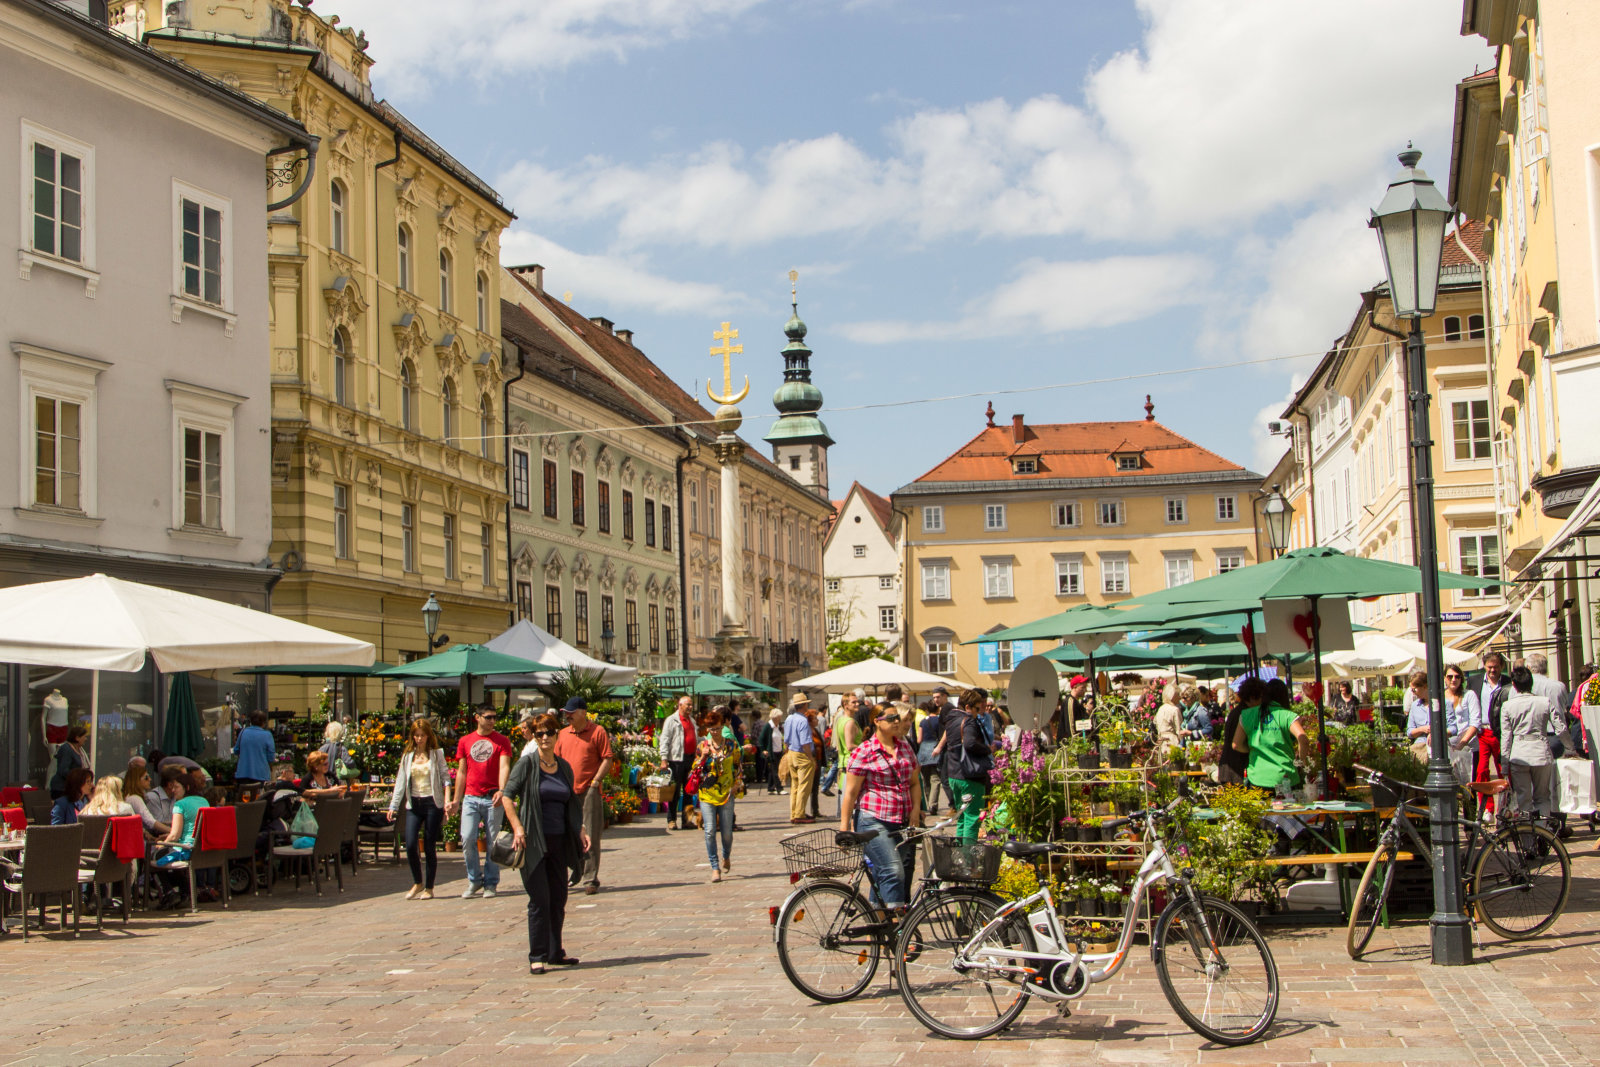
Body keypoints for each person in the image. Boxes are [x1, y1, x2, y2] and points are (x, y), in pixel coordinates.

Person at [500, 711, 587, 974]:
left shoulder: (564, 767)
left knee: (558, 897)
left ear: (557, 734)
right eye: (540, 734)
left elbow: (571, 802)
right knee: (540, 899)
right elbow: (507, 796)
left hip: (559, 840)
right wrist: (517, 827)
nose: (545, 737)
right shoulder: (526, 764)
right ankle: (536, 955)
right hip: (534, 842)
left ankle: (555, 952)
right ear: (535, 737)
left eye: (549, 732)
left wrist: (580, 829)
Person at [839, 702, 921, 911]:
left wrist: (915, 810)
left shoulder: (905, 747)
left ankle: (878, 924)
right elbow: (850, 793)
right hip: (873, 820)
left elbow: (914, 783)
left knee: (882, 873)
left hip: (901, 821)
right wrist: (844, 827)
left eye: (897, 718)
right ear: (877, 721)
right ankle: (897, 922)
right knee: (893, 871)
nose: (896, 722)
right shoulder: (864, 751)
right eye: (891, 718)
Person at [448, 706, 513, 899]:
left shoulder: (502, 740)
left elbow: (504, 766)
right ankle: (474, 879)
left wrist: (502, 790)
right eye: (488, 717)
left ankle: (491, 883)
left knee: (493, 842)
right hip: (471, 797)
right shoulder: (465, 741)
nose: (492, 721)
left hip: (493, 797)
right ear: (477, 717)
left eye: (494, 717)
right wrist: (456, 800)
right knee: (467, 837)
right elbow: (461, 771)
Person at [554, 697, 614, 896]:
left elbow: (607, 758)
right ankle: (575, 871)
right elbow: (556, 760)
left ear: (582, 712)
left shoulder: (597, 731)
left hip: (589, 789)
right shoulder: (563, 734)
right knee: (567, 835)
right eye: (566, 713)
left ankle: (590, 878)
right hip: (567, 791)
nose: (567, 716)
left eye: (571, 712)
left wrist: (596, 781)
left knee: (591, 834)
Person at [389, 717, 449, 900]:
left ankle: (429, 887)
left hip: (432, 802)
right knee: (410, 843)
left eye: (422, 735)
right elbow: (400, 782)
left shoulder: (436, 754)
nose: (419, 739)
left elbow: (446, 778)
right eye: (416, 735)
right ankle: (417, 882)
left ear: (428, 736)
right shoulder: (408, 756)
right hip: (414, 803)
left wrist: (447, 802)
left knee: (429, 846)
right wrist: (393, 805)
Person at [1501, 666, 1563, 818]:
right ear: (1531, 683)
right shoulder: (1544, 702)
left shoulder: (1508, 706)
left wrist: (1504, 764)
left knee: (1523, 798)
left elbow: (1506, 737)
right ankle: (1542, 827)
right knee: (1543, 796)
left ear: (1514, 685)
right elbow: (1560, 728)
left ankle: (1527, 832)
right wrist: (1569, 748)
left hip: (1519, 753)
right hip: (1541, 751)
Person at [1232, 678, 1309, 795]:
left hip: (1257, 777)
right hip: (1286, 776)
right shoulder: (1287, 715)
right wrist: (1301, 762)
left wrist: (1254, 749)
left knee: (1260, 807)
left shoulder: (1247, 714)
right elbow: (1303, 739)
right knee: (1289, 807)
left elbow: (1236, 745)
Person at [937, 688, 992, 843]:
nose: (978, 712)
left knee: (962, 817)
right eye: (976, 708)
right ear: (968, 707)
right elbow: (970, 743)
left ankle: (959, 853)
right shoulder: (968, 720)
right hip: (970, 776)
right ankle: (968, 855)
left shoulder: (951, 719)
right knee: (972, 818)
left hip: (954, 774)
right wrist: (988, 749)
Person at [693, 710, 741, 882]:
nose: (715, 732)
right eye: (712, 729)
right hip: (707, 793)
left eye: (718, 728)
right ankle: (715, 867)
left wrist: (737, 784)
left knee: (727, 832)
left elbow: (738, 765)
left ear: (722, 727)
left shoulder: (731, 745)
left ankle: (726, 855)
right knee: (710, 830)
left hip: (727, 793)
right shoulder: (702, 746)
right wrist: (703, 757)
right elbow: (695, 769)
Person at [657, 695, 698, 829]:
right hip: (676, 760)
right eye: (688, 705)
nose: (690, 707)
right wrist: (664, 759)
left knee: (689, 791)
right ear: (680, 705)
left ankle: (687, 820)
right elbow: (665, 739)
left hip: (690, 759)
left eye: (691, 705)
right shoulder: (671, 720)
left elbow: (695, 738)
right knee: (674, 791)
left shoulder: (692, 720)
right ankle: (672, 819)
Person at [780, 693, 819, 824]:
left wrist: (787, 753)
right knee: (804, 785)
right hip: (802, 754)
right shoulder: (802, 720)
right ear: (805, 705)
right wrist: (810, 758)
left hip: (791, 752)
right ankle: (800, 814)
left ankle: (794, 813)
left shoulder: (789, 719)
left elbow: (785, 740)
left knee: (795, 785)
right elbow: (805, 742)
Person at [1441, 666, 1482, 783]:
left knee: (1469, 784)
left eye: (1457, 677)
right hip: (1447, 748)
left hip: (1468, 747)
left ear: (1461, 679)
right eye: (1450, 677)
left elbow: (1475, 722)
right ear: (1445, 678)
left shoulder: (1469, 694)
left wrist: (1462, 744)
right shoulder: (1440, 697)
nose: (1453, 679)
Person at [821, 694, 862, 798]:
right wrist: (865, 747)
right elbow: (849, 746)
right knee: (850, 798)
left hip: (844, 763)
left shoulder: (841, 720)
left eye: (857, 702)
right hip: (851, 763)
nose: (857, 704)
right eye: (854, 702)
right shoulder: (850, 722)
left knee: (845, 797)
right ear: (845, 705)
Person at [1217, 680, 1256, 785]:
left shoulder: (1237, 711)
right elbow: (1237, 744)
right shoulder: (1245, 713)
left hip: (1229, 766)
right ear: (1253, 697)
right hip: (1236, 768)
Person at [234, 710, 276, 792]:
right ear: (264, 722)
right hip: (261, 774)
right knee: (259, 798)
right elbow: (271, 757)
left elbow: (236, 750)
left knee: (244, 797)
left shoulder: (243, 732)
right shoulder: (267, 735)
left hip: (243, 773)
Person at [123, 763, 168, 836]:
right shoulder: (135, 798)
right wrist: (172, 831)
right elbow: (150, 821)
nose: (150, 779)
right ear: (137, 780)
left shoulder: (129, 797)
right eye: (146, 777)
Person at [915, 701, 942, 815]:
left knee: (926, 780)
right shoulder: (939, 720)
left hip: (923, 751)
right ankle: (933, 804)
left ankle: (928, 802)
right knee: (935, 779)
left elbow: (919, 740)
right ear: (937, 709)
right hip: (935, 749)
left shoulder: (923, 721)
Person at [48, 724, 90, 799]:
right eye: (84, 736)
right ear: (77, 738)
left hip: (73, 788)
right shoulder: (66, 749)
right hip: (62, 789)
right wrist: (78, 778)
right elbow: (63, 770)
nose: (86, 739)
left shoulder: (80, 750)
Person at [758, 707, 785, 795]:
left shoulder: (778, 726)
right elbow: (761, 739)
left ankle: (771, 788)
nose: (780, 719)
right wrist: (763, 750)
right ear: (775, 717)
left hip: (779, 751)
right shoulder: (768, 726)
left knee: (773, 770)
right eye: (779, 717)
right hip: (772, 752)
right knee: (775, 771)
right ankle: (779, 788)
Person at [1154, 683, 1183, 757]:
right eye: (1177, 695)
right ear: (1172, 696)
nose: (1179, 698)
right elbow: (1179, 730)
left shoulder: (1160, 709)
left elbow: (1156, 724)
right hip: (1172, 741)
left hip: (1161, 740)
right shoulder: (1175, 710)